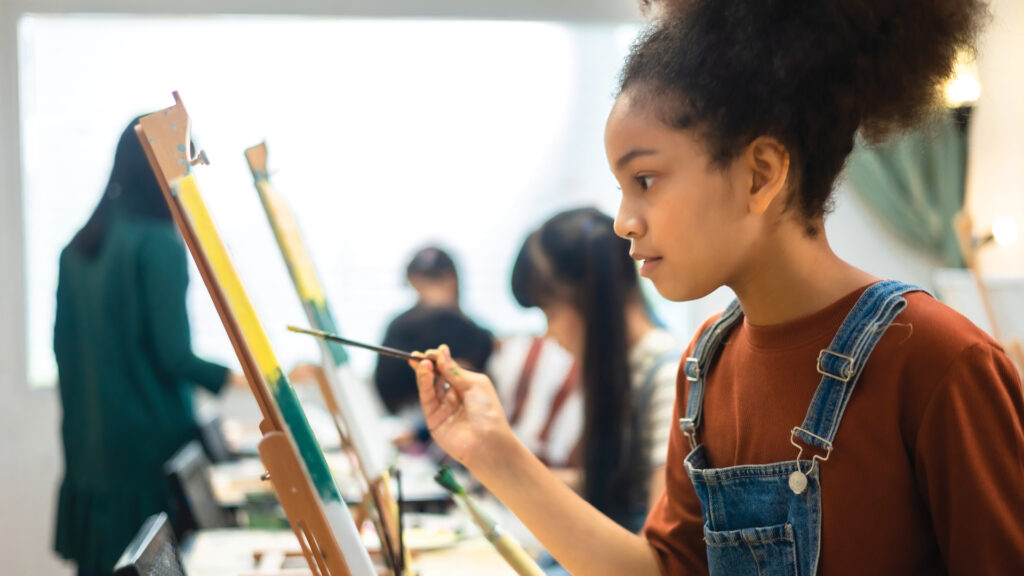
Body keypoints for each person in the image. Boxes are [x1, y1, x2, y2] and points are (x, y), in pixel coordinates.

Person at [410, 2, 1024, 575]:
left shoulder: (939, 362)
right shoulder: (706, 364)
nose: (624, 219)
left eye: (645, 179)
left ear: (760, 175)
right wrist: (492, 452)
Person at [53, 118, 243, 576]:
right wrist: (255, 380)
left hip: (89, 450)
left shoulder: (78, 246)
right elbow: (174, 354)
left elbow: (64, 354)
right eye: (187, 163)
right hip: (146, 450)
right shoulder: (159, 244)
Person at [488, 207, 679, 533]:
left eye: (548, 311)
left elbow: (663, 550)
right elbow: (615, 484)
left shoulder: (666, 376)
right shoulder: (622, 368)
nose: (548, 334)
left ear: (591, 297)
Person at [375, 246, 493, 415]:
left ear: (452, 279)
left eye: (435, 282)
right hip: (415, 423)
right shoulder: (401, 328)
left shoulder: (476, 333)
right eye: (425, 283)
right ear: (413, 282)